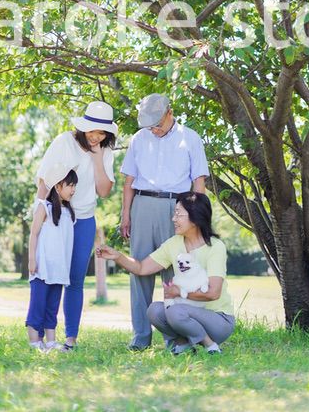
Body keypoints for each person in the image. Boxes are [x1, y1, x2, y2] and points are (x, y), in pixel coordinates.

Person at [120, 93, 209, 350]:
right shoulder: (139, 139)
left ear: (170, 112)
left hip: (177, 207)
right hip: (142, 205)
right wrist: (126, 214)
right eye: (149, 125)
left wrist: (196, 218)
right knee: (139, 271)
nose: (154, 129)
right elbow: (128, 182)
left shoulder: (190, 138)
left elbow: (199, 183)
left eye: (157, 123)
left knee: (176, 272)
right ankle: (140, 338)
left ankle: (175, 339)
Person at [98, 192, 235, 355]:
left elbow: (213, 293)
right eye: (174, 213)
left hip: (218, 320)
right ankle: (184, 344)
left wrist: (180, 293)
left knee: (175, 310)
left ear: (196, 217)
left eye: (179, 214)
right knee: (154, 310)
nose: (173, 219)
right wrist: (118, 256)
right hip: (186, 314)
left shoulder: (215, 247)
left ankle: (210, 345)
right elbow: (142, 268)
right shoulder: (174, 244)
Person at [35, 101, 117, 349]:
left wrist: (98, 159)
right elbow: (43, 181)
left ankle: (70, 338)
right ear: (84, 127)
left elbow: (104, 192)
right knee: (49, 276)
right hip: (57, 218)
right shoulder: (64, 142)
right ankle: (39, 336)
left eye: (102, 132)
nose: (96, 136)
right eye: (92, 130)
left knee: (75, 279)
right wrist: (41, 215)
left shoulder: (105, 152)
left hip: (83, 220)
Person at [26, 164, 77, 352]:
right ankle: (34, 342)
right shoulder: (43, 207)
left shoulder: (69, 213)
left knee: (52, 306)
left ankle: (50, 342)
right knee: (38, 304)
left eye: (74, 186)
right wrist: (32, 259)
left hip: (59, 270)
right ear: (57, 186)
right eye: (70, 185)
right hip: (42, 267)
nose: (73, 190)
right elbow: (33, 234)